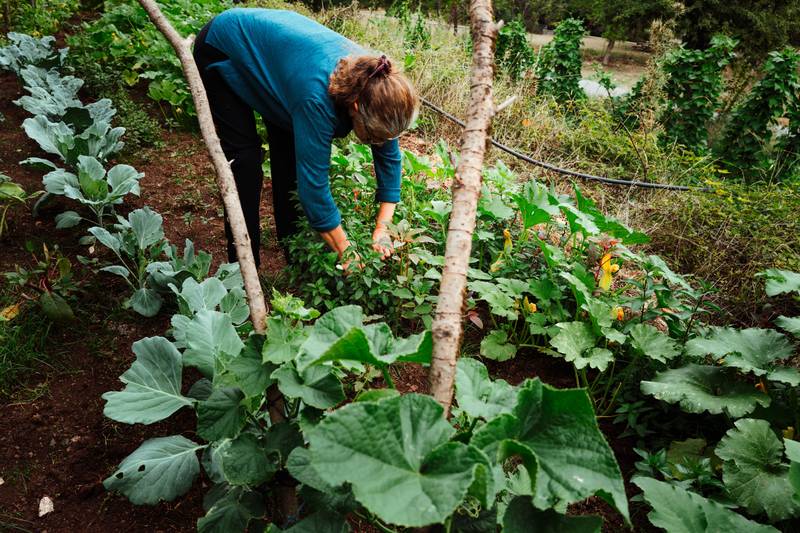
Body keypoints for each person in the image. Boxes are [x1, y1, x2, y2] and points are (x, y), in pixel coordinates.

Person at [192, 7, 419, 269]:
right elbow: (314, 190)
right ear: (355, 107)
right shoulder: (317, 99)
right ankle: (243, 267)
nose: (378, 143)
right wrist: (347, 253)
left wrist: (383, 228)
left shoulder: (380, 87)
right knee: (245, 159)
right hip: (225, 44)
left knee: (288, 153)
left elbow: (390, 157)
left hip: (283, 62)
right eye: (373, 137)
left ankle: (292, 251)